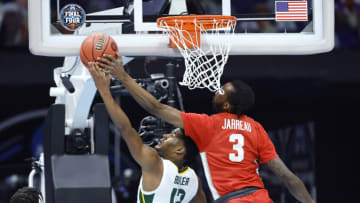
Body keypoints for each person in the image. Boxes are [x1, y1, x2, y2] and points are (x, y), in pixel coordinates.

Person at [96, 54, 316, 203]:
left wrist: (122, 76)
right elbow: (289, 178)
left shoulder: (209, 124)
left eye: (222, 91)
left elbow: (155, 107)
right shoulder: (255, 128)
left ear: (228, 105)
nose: (217, 90)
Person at [87, 62, 207, 203]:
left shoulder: (155, 163)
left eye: (173, 135)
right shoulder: (194, 180)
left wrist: (104, 91)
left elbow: (126, 129)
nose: (166, 135)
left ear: (180, 150)